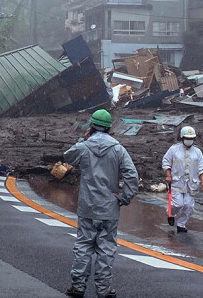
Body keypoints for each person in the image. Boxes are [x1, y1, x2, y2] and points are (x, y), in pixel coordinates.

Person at [63, 109, 139, 298]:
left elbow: (68, 157)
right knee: (106, 249)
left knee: (83, 246)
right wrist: (124, 197)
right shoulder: (118, 149)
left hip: (87, 206)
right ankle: (104, 290)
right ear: (109, 128)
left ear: (91, 126)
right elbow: (132, 176)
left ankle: (77, 286)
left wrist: (82, 140)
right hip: (109, 207)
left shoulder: (84, 146)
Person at [162, 125, 203, 233]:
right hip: (177, 181)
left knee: (188, 206)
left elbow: (201, 167)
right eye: (187, 138)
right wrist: (168, 175)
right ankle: (171, 214)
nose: (189, 140)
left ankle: (181, 224)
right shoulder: (174, 149)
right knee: (178, 204)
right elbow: (166, 162)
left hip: (191, 183)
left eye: (191, 138)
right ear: (182, 138)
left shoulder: (197, 152)